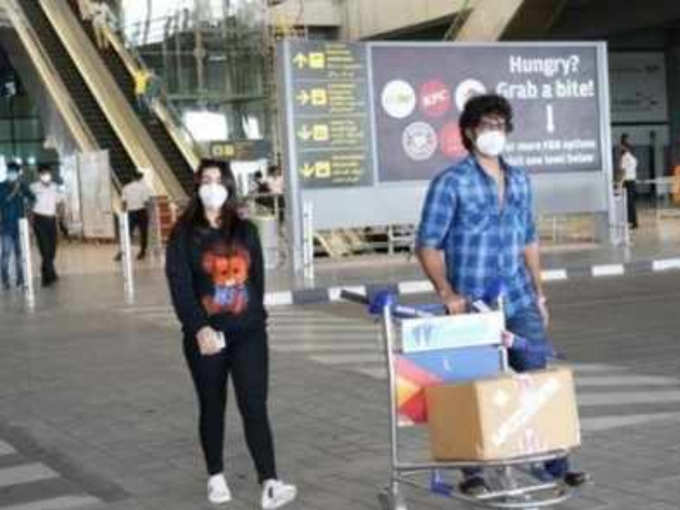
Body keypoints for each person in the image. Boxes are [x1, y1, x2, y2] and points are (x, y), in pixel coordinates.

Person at [415, 94, 588, 496]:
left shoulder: (521, 179)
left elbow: (528, 238)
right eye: (485, 126)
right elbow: (428, 243)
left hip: (519, 297)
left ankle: (553, 464)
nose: (493, 133)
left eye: (499, 125)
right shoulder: (451, 183)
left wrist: (540, 294)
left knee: (536, 376)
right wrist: (447, 292)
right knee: (470, 387)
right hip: (471, 304)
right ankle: (471, 470)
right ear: (469, 133)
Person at [165, 159, 296, 508]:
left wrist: (257, 320)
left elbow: (257, 283)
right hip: (207, 335)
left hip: (248, 333)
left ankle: (269, 480)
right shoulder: (183, 234)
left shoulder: (245, 230)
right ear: (197, 186)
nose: (212, 186)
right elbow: (180, 287)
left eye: (218, 179)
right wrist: (199, 327)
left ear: (228, 185)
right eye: (205, 180)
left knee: (254, 404)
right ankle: (216, 476)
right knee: (212, 405)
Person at [0, 163, 35, 290]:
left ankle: (20, 280)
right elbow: (2, 202)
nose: (12, 174)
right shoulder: (1, 187)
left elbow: (32, 197)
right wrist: (14, 192)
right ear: (7, 172)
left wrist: (27, 202)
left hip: (20, 227)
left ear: (18, 173)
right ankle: (5, 280)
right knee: (5, 255)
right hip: (6, 227)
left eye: (15, 172)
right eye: (10, 171)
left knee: (20, 255)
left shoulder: (22, 186)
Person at [30, 165, 64, 287]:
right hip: (39, 221)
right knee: (45, 249)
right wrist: (30, 222)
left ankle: (50, 271)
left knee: (52, 250)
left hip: (52, 220)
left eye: (48, 173)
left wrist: (59, 219)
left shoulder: (55, 187)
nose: (46, 176)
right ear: (39, 175)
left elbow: (59, 203)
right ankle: (47, 277)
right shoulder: (33, 188)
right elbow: (29, 205)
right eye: (43, 173)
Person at [114, 172, 151, 261]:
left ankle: (121, 252)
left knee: (127, 233)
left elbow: (123, 203)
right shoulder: (144, 188)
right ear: (140, 178)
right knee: (143, 233)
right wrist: (148, 213)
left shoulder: (126, 188)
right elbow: (146, 202)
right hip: (141, 211)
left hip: (130, 212)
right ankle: (142, 252)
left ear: (132, 178)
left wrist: (123, 214)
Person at [619, 134, 639, 230]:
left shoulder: (624, 157)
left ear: (624, 146)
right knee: (631, 203)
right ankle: (634, 222)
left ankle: (630, 222)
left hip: (627, 181)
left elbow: (623, 172)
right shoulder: (633, 157)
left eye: (621, 146)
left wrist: (620, 183)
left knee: (628, 203)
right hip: (633, 181)